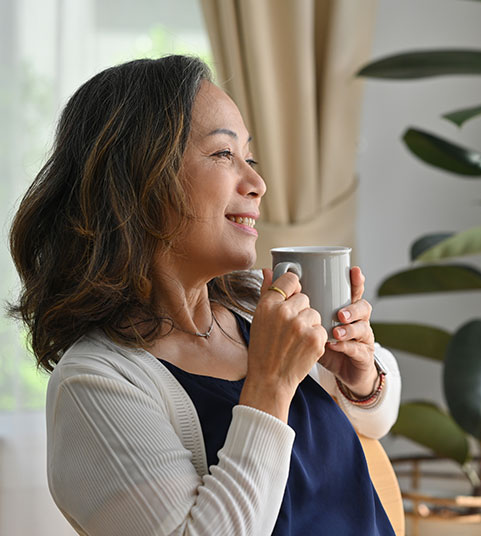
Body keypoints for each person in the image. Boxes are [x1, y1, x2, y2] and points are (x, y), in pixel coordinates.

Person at [8, 55, 400, 535]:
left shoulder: (257, 299)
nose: (257, 183)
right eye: (222, 155)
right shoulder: (95, 384)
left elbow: (375, 423)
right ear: (139, 179)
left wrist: (362, 378)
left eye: (249, 158)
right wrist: (270, 387)